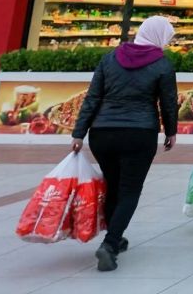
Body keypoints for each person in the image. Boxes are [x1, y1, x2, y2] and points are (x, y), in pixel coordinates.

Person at [70, 15, 179, 273]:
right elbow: (168, 102)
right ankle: (109, 244)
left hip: (102, 134)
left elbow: (93, 97)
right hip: (139, 134)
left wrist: (78, 133)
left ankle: (115, 237)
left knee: (113, 185)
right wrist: (171, 132)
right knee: (130, 190)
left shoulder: (110, 58)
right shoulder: (162, 64)